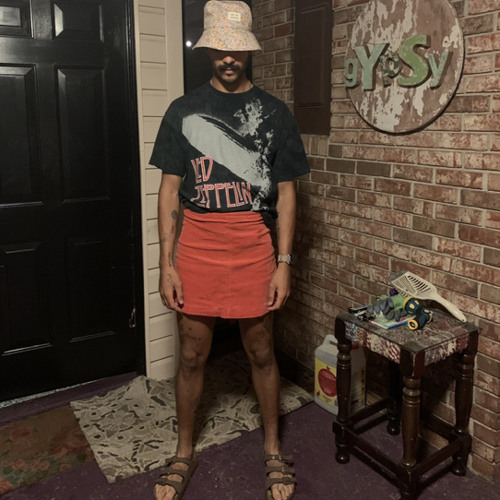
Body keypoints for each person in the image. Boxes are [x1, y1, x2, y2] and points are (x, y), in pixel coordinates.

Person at [149, 2, 310, 499]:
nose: (228, 57)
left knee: (261, 350)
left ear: (248, 51)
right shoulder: (183, 111)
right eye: (220, 48)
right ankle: (183, 450)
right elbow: (169, 191)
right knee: (191, 355)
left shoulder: (275, 114)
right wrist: (167, 264)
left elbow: (287, 194)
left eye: (236, 48)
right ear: (208, 50)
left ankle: (273, 448)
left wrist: (284, 264)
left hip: (253, 245)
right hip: (197, 243)